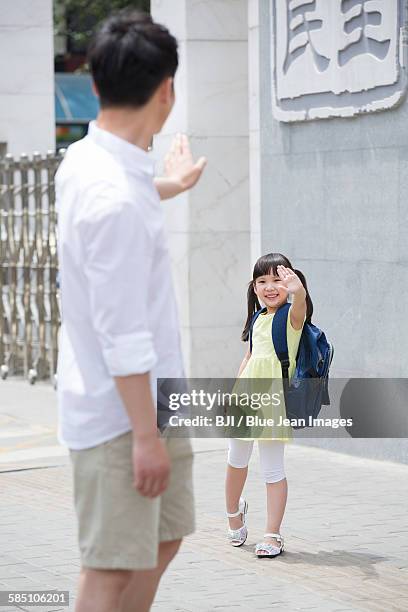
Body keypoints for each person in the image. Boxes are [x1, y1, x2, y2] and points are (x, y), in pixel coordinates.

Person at [55, 10, 206, 612]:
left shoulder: (94, 160)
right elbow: (122, 333)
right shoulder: (112, 198)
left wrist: (172, 182)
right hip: (123, 416)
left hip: (154, 399)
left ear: (94, 85)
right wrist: (146, 436)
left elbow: (133, 182)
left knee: (165, 536)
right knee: (110, 567)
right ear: (168, 89)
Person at [225, 252, 312, 558]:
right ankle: (234, 514)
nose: (270, 286)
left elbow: (299, 302)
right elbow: (249, 357)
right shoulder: (257, 317)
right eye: (262, 280)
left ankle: (273, 534)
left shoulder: (291, 316)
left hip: (273, 399)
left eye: (277, 279)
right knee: (236, 459)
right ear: (254, 287)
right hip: (247, 396)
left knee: (272, 469)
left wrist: (297, 289)